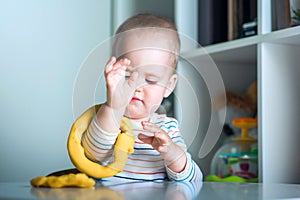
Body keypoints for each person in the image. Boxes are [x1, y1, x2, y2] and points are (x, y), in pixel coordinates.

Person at [82, 13, 202, 182]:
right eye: (127, 76)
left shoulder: (167, 128)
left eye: (150, 80)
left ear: (168, 86)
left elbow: (194, 180)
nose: (136, 87)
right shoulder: (106, 117)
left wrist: (172, 155)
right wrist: (113, 108)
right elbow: (92, 154)